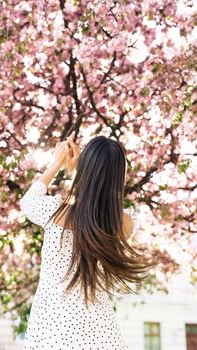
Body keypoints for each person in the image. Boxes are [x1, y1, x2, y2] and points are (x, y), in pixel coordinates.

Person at [19, 132, 153, 350]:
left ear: (86, 170)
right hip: (101, 333)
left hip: (52, 330)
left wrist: (58, 162)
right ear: (120, 176)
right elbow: (94, 212)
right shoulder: (125, 223)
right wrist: (81, 172)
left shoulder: (55, 213)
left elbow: (28, 202)